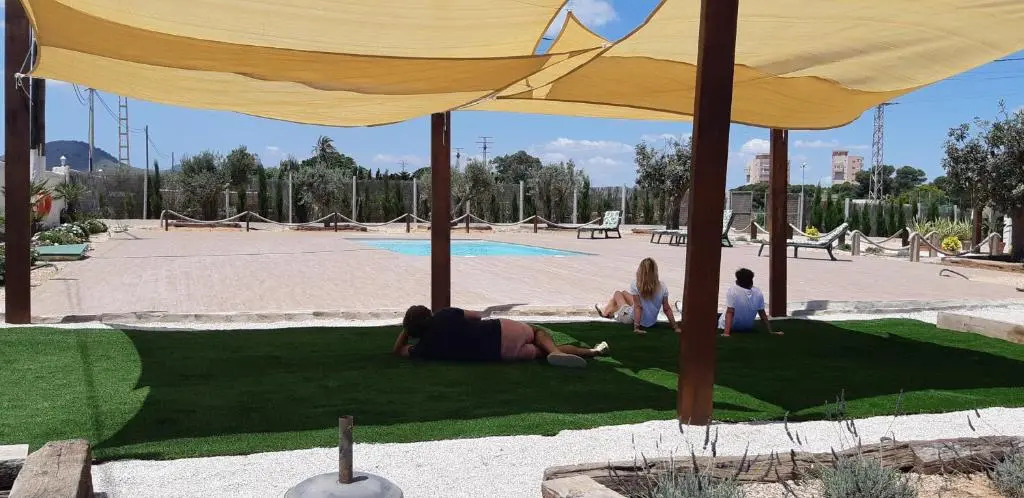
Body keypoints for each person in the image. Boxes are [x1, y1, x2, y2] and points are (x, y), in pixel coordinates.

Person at [394, 305, 609, 368]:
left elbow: (397, 350)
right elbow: (477, 315)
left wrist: (408, 329)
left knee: (539, 353)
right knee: (537, 332)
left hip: (499, 354)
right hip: (499, 331)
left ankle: (592, 351)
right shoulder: (445, 314)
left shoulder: (424, 348)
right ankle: (559, 352)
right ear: (428, 315)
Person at [595, 258, 680, 335]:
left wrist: (636, 327)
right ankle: (609, 312)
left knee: (617, 293)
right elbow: (667, 308)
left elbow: (638, 307)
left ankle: (606, 313)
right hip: (651, 322)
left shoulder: (636, 284)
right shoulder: (662, 286)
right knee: (624, 292)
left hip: (631, 319)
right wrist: (675, 327)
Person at [719, 268, 783, 337]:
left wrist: (726, 333)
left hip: (731, 327)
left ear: (737, 281)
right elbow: (762, 313)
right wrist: (770, 331)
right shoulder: (758, 292)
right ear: (751, 281)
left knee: (719, 315)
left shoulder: (732, 290)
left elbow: (730, 312)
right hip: (747, 327)